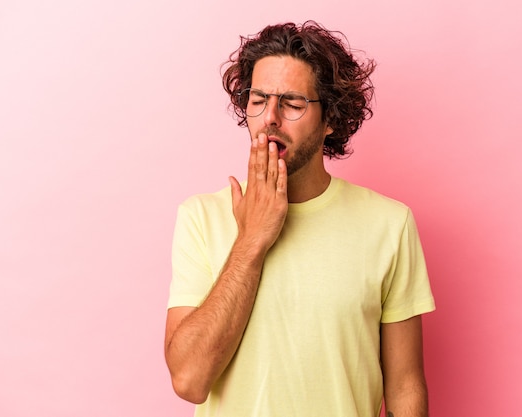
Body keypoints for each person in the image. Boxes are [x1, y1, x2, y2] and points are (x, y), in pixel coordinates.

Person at [164, 21, 435, 417]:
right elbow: (188, 380)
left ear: (330, 120)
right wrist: (252, 239)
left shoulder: (389, 225)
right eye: (257, 99)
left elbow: (405, 386)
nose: (270, 117)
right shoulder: (201, 218)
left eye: (292, 103)